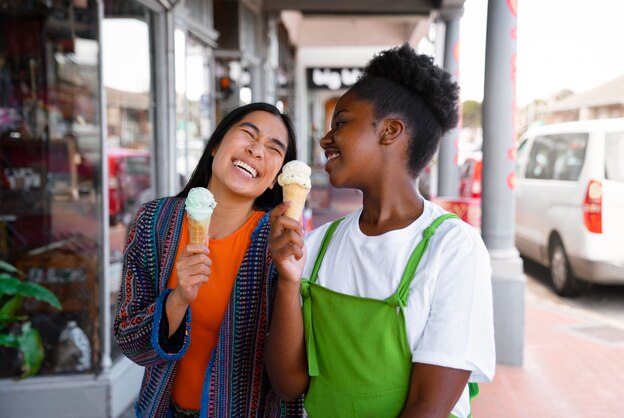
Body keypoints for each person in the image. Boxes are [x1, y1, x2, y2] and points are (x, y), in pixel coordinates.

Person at [266, 44, 495, 418]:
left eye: (340, 123)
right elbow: (289, 384)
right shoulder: (319, 244)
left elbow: (427, 408)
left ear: (390, 131)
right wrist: (288, 281)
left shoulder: (452, 248)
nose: (325, 140)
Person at [114, 102, 304, 418]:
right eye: (248, 133)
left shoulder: (280, 243)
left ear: (275, 179)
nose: (256, 150)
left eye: (273, 148)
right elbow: (130, 341)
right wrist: (178, 299)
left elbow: (292, 376)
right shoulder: (155, 222)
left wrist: (289, 278)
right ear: (215, 145)